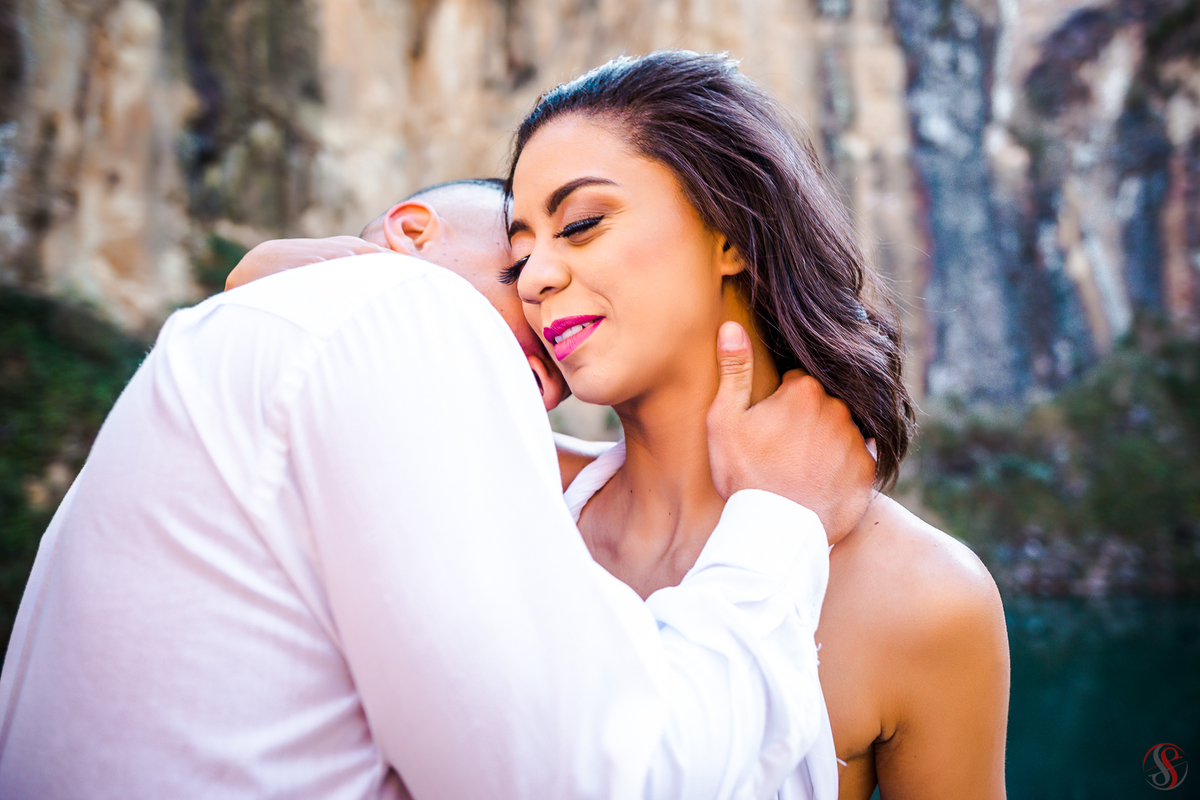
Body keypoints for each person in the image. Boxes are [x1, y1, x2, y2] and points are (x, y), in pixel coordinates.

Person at [0, 176, 877, 799]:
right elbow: (586, 778)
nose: (549, 298)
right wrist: (779, 522)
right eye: (520, 261)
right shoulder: (410, 312)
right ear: (414, 232)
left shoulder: (267, 343)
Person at [503, 51, 1010, 800]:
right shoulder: (509, 505)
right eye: (517, 256)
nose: (536, 277)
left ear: (731, 232)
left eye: (580, 225)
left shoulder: (922, 598)